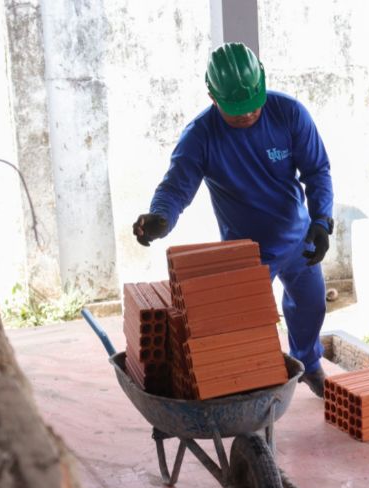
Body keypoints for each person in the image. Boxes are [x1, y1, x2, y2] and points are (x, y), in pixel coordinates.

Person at [133, 42, 334, 398]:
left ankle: (309, 363)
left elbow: (317, 171)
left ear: (262, 83)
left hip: (299, 238)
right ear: (212, 96)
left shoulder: (289, 113)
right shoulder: (201, 135)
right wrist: (160, 218)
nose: (246, 115)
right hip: (247, 252)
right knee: (247, 328)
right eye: (235, 110)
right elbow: (176, 187)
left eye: (253, 106)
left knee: (311, 304)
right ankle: (253, 395)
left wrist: (321, 221)